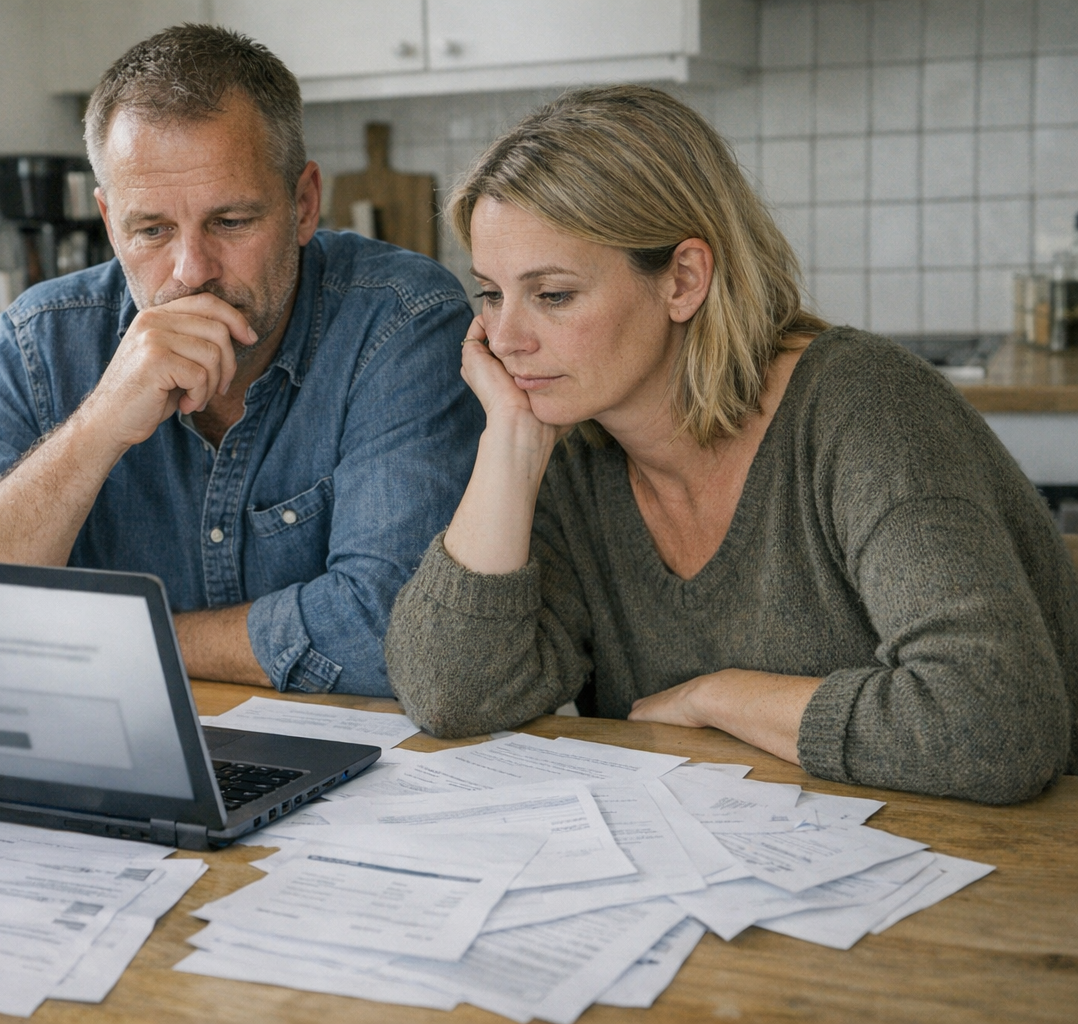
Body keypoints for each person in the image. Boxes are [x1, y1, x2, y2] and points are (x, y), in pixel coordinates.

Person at [383, 85, 1078, 804]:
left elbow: (995, 727)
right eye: (491, 294)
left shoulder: (864, 408)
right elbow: (447, 695)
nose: (503, 339)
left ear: (683, 280)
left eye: (552, 295)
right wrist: (509, 447)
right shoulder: (574, 448)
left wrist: (718, 698)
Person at [0, 25, 482, 697]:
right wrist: (99, 426)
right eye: (152, 230)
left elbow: (393, 634)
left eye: (231, 222)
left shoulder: (400, 322)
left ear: (305, 203)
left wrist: (103, 636)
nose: (191, 271)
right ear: (110, 222)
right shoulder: (37, 342)